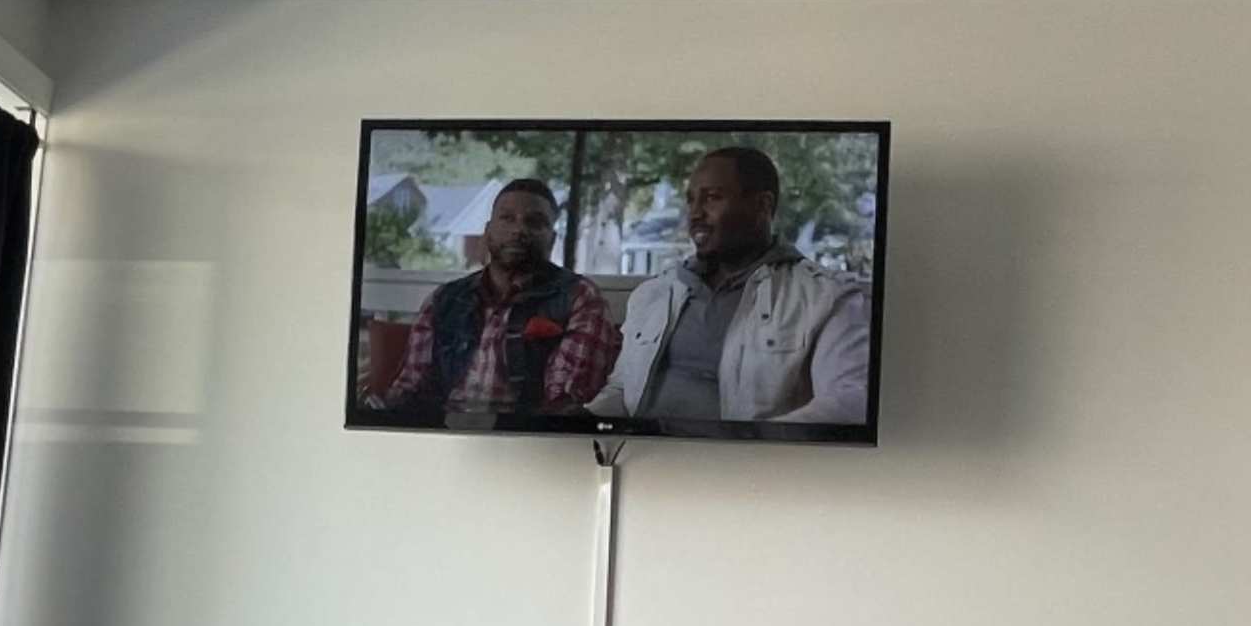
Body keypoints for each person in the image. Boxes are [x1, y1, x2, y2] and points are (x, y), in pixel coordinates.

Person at [594, 144, 872, 426]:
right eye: (691, 201)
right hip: (639, 458)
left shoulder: (825, 298)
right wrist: (585, 416)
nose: (695, 214)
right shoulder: (654, 294)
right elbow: (621, 391)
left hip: (750, 466)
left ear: (762, 206)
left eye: (712, 198)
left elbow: (849, 401)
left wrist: (748, 445)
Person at [363, 177, 617, 420]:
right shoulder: (444, 299)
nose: (519, 230)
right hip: (445, 434)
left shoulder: (580, 298)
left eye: (535, 222)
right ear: (487, 231)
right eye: (507, 218)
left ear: (552, 239)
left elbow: (564, 403)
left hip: (528, 439)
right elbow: (411, 388)